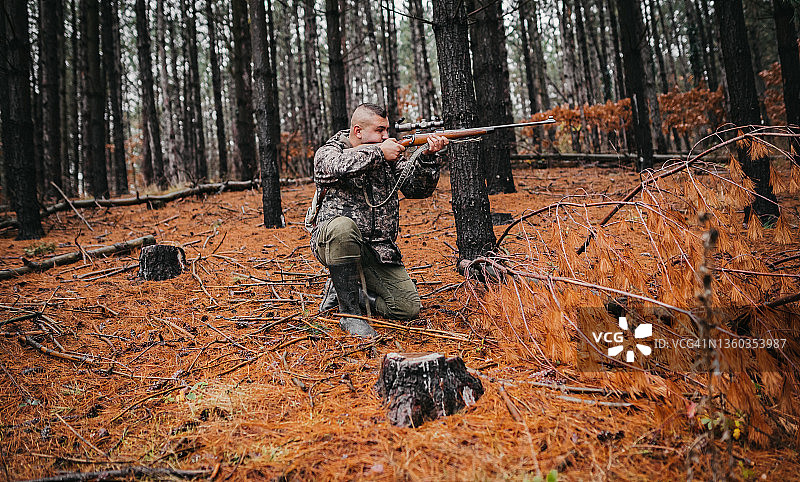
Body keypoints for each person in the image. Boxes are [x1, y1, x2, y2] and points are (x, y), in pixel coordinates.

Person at [305, 103, 449, 337]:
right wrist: (380, 153)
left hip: (377, 250)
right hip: (333, 243)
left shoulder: (390, 155)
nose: (385, 136)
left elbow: (416, 189)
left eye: (387, 130)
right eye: (379, 130)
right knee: (343, 228)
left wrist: (428, 158)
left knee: (407, 307)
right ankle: (350, 315)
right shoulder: (331, 150)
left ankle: (352, 293)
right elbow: (331, 168)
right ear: (358, 131)